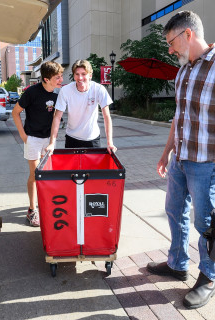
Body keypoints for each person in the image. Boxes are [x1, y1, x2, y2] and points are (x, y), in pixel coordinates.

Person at [146, 11, 215, 309]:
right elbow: (179, 117)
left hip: (206, 162)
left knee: (207, 223)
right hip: (180, 159)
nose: (170, 50)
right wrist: (166, 153)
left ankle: (209, 276)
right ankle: (177, 263)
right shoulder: (183, 71)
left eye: (172, 43)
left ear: (188, 34)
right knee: (173, 210)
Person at [12, 61, 64, 227]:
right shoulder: (32, 92)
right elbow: (15, 112)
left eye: (61, 76)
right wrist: (23, 135)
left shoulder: (57, 95)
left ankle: (45, 205)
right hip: (33, 138)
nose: (61, 79)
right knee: (35, 175)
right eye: (58, 77)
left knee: (46, 175)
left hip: (48, 141)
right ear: (47, 79)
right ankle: (32, 210)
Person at [46, 59, 116, 152]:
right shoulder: (66, 90)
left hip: (93, 139)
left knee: (93, 167)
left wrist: (109, 143)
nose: (80, 78)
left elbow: (106, 116)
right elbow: (57, 117)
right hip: (72, 138)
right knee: (72, 167)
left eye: (83, 74)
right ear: (73, 76)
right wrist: (52, 143)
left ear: (90, 75)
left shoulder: (99, 89)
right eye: (77, 74)